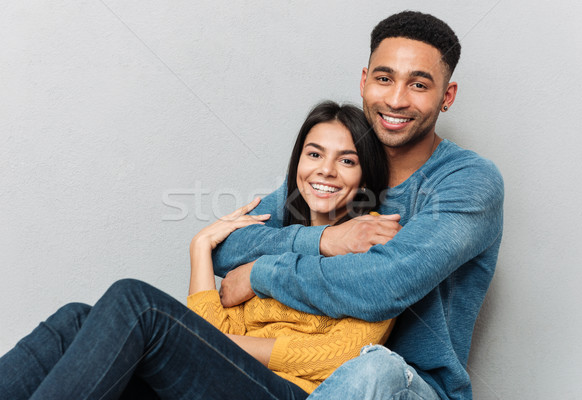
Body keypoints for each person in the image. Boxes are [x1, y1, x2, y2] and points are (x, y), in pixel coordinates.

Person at [0, 101, 393, 399]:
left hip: (289, 392)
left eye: (346, 160)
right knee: (75, 320)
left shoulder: (378, 243)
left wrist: (221, 346)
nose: (325, 170)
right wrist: (200, 247)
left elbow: (339, 356)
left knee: (137, 303)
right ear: (297, 164)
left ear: (365, 175)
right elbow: (216, 329)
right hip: (234, 377)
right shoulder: (275, 237)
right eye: (314, 154)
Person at [215, 11, 504, 400]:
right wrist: (325, 240)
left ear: (446, 97)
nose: (397, 100)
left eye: (419, 84)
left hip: (406, 385)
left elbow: (385, 283)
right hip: (305, 379)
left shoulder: (468, 181)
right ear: (364, 81)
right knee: (146, 327)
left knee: (374, 366)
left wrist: (260, 273)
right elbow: (228, 245)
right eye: (384, 79)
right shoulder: (337, 169)